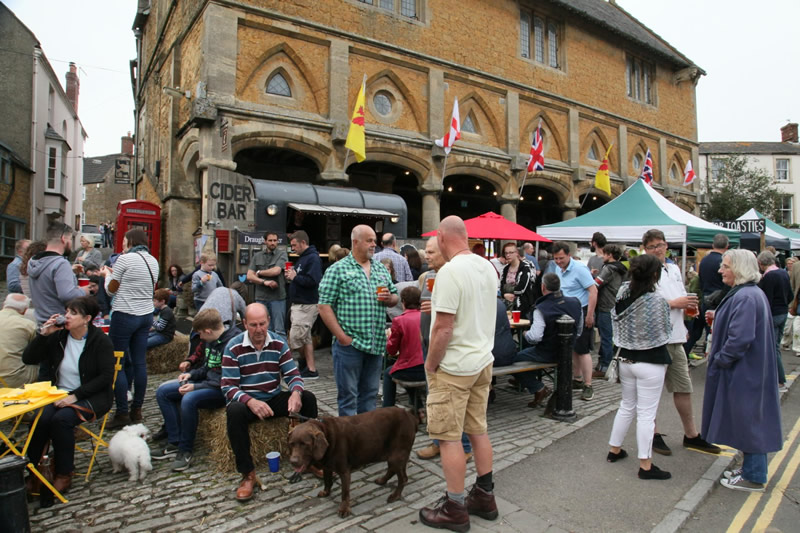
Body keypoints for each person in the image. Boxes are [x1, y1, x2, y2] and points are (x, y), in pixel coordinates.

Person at [418, 216, 499, 531]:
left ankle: (454, 506)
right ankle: (485, 495)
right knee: (478, 429)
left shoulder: (450, 272)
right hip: (482, 360)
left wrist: (430, 364)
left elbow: (443, 328)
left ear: (441, 237)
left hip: (454, 366)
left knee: (449, 437)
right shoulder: (486, 267)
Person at [703, 250, 782, 492]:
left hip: (745, 371)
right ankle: (750, 469)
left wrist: (720, 359)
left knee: (749, 421)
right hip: (750, 369)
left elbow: (740, 338)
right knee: (748, 419)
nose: (720, 270)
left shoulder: (746, 296)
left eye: (725, 266)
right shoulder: (748, 293)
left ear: (738, 269)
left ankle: (754, 476)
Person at [221, 303, 318, 501]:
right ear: (245, 323)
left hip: (272, 397)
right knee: (234, 411)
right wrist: (250, 401)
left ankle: (311, 460)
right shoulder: (233, 347)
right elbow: (228, 387)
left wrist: (296, 393)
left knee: (308, 398)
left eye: (262, 324)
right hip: (249, 402)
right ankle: (247, 474)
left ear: (269, 321)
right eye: (253, 325)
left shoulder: (279, 343)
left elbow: (293, 375)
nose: (259, 330)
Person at [22, 296, 115, 495]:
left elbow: (106, 377)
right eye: (66, 312)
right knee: (39, 419)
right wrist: (43, 334)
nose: (67, 317)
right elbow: (29, 358)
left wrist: (75, 396)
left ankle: (64, 472)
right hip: (58, 392)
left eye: (73, 313)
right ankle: (36, 470)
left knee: (61, 420)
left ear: (87, 318)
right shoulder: (58, 337)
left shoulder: (100, 341)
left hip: (91, 395)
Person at [641, 229, 720, 455]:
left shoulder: (673, 267)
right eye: (652, 246)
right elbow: (643, 305)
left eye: (660, 245)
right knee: (653, 390)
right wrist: (675, 303)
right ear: (645, 249)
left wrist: (685, 318)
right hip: (655, 338)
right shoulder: (645, 271)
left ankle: (691, 434)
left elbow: (680, 295)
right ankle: (652, 434)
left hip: (675, 335)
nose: (657, 249)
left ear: (666, 245)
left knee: (683, 387)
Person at [318, 225, 398, 416]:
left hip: (376, 344)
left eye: (374, 241)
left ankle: (365, 442)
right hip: (350, 346)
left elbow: (395, 297)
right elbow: (323, 306)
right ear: (355, 242)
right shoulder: (338, 269)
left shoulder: (380, 268)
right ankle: (350, 443)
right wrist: (342, 337)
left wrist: (389, 298)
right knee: (348, 398)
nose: (374, 245)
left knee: (370, 396)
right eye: (369, 240)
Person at [607, 254, 673, 480]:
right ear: (655, 275)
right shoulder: (657, 300)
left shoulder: (623, 291)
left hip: (625, 359)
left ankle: (614, 450)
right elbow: (665, 330)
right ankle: (645, 465)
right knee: (646, 414)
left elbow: (617, 315)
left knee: (626, 406)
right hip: (650, 361)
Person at [153, 308, 241, 471]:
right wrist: (191, 375)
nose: (200, 338)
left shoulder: (232, 343)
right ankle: (174, 441)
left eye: (201, 334)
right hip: (208, 382)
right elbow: (207, 367)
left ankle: (186, 449)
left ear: (208, 330)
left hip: (223, 390)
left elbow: (225, 380)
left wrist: (195, 386)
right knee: (163, 392)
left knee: (189, 399)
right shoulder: (211, 339)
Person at [416, 236, 474, 462]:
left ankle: (465, 446)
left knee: (454, 401)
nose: (426, 256)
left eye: (431, 252)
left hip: (449, 349)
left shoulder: (456, 275)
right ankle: (438, 442)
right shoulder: (429, 276)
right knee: (435, 398)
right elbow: (422, 305)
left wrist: (438, 307)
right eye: (426, 252)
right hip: (428, 342)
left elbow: (461, 313)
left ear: (444, 251)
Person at [102, 228, 159, 428]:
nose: (123, 244)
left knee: (117, 363)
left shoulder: (124, 260)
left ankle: (122, 413)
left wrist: (106, 276)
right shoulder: (153, 261)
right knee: (139, 363)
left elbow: (111, 290)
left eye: (125, 240)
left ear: (130, 241)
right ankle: (137, 409)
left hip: (125, 314)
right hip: (145, 316)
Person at [509, 274, 582, 407]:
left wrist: (525, 334)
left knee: (512, 360)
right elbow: (579, 329)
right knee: (526, 354)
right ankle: (530, 381)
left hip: (546, 352)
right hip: (566, 352)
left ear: (543, 287)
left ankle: (537, 387)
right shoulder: (575, 302)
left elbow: (535, 337)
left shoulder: (541, 308)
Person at [551, 241, 597, 401]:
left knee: (583, 349)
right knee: (572, 347)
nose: (558, 262)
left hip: (582, 310)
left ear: (569, 255)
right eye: (556, 258)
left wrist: (589, 315)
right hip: (567, 312)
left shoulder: (579, 269)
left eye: (561, 258)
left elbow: (593, 291)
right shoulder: (558, 268)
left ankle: (588, 385)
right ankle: (577, 379)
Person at [28, 222, 90, 325]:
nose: (71, 243)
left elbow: (47, 286)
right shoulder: (61, 263)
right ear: (63, 238)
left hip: (42, 323)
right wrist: (84, 291)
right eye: (70, 239)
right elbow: (67, 295)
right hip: (58, 323)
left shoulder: (34, 261)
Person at [285, 230, 323, 379]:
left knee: (295, 337)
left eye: (294, 245)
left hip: (307, 304)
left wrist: (296, 277)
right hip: (300, 304)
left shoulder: (312, 258)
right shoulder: (302, 258)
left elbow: (314, 281)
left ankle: (302, 363)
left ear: (303, 243)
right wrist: (292, 277)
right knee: (305, 337)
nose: (293, 248)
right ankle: (311, 369)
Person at [685, 234, 729, 357]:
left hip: (704, 299)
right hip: (718, 300)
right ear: (727, 246)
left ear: (713, 245)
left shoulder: (704, 261)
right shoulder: (723, 262)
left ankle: (684, 354)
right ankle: (714, 358)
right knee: (715, 333)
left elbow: (700, 280)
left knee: (696, 332)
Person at [382, 286, 424, 407]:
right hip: (427, 368)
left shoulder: (399, 320)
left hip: (409, 369)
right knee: (404, 368)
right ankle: (419, 407)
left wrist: (390, 337)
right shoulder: (426, 317)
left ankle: (388, 408)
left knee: (388, 372)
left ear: (403, 302)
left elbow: (392, 350)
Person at [757, 250, 792, 392]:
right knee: (775, 346)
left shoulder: (769, 277)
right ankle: (778, 380)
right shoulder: (783, 273)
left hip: (772, 314)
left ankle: (779, 380)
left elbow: (767, 299)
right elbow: (790, 295)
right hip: (783, 312)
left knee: (771, 348)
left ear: (761, 263)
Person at [592, 244, 627, 375]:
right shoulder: (623, 268)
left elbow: (596, 285)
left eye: (604, 254)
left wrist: (590, 277)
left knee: (606, 337)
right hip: (615, 305)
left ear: (610, 255)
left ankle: (605, 367)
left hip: (605, 306)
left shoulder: (609, 268)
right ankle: (605, 364)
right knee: (611, 337)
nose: (602, 257)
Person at [247, 231, 288, 336]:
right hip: (261, 297)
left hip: (277, 297)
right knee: (262, 329)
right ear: (265, 241)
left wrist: (259, 272)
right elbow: (249, 276)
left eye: (275, 240)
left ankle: (280, 352)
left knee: (279, 330)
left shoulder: (282, 254)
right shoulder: (257, 256)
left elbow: (276, 271)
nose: (273, 243)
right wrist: (265, 282)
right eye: (270, 240)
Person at [0, 294, 38, 388]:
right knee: (44, 367)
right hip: (12, 379)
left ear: (4, 304)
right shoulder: (28, 325)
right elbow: (37, 352)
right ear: (25, 310)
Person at [500, 242, 537, 318]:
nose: (508, 255)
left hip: (523, 306)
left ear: (516, 253)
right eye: (506, 253)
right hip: (508, 306)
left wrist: (508, 291)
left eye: (511, 252)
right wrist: (504, 294)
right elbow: (501, 286)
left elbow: (522, 288)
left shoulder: (525, 267)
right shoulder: (505, 269)